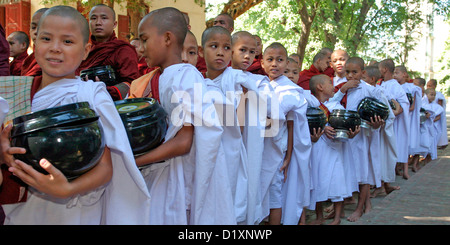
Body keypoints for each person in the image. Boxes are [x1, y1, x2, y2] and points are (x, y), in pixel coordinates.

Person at [0, 5, 151, 225]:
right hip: (27, 211)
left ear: (86, 50)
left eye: (67, 41)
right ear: (35, 43)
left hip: (75, 209)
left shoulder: (90, 95)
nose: (55, 48)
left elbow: (106, 167)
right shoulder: (14, 91)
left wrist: (66, 189)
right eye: (46, 39)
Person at [133, 8, 234, 225]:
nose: (140, 49)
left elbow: (183, 141)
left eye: (145, 39)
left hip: (183, 172)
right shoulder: (166, 75)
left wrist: (134, 161)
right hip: (169, 169)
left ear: (167, 38)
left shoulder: (186, 76)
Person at [260, 42, 312, 225]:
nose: (275, 64)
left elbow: (290, 125)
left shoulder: (289, 91)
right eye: (270, 59)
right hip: (260, 148)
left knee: (275, 195)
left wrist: (289, 156)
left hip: (277, 150)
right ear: (262, 63)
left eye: (280, 60)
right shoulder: (261, 85)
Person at [230, 30, 277, 225]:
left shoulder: (257, 82)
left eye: (252, 52)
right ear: (229, 49)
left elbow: (273, 116)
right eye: (242, 50)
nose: (248, 56)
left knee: (247, 189)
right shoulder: (219, 78)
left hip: (250, 146)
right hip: (227, 146)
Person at [307, 74, 358, 225]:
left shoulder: (336, 107)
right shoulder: (311, 106)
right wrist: (322, 128)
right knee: (317, 182)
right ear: (320, 87)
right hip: (317, 150)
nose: (333, 86)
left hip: (335, 150)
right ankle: (319, 217)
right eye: (330, 83)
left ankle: (337, 218)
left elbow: (346, 125)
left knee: (337, 181)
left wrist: (352, 132)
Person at [343, 57, 386, 222]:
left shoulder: (370, 90)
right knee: (357, 170)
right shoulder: (344, 88)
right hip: (350, 136)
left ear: (363, 73)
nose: (350, 75)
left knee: (364, 171)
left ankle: (359, 208)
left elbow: (383, 113)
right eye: (348, 72)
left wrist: (377, 124)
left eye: (355, 72)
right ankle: (367, 203)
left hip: (365, 136)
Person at [76, 4, 140, 101]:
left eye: (104, 18)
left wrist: (101, 90)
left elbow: (132, 84)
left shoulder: (123, 50)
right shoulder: (84, 51)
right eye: (93, 18)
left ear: (114, 24)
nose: (98, 23)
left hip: (114, 106)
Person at [363, 66, 399, 197]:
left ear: (372, 79)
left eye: (363, 78)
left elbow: (388, 113)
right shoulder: (367, 90)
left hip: (379, 133)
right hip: (370, 132)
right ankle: (380, 186)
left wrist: (380, 123)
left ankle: (381, 186)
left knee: (379, 159)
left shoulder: (378, 92)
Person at [378, 59, 410, 179]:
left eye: (379, 68)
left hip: (392, 126)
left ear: (384, 69)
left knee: (387, 153)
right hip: (381, 126)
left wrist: (390, 114)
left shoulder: (395, 86)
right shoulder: (382, 83)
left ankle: (384, 182)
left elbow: (402, 107)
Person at [394, 65, 422, 175]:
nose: (395, 75)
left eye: (397, 73)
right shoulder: (394, 87)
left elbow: (412, 107)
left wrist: (401, 109)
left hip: (407, 120)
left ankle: (405, 170)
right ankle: (396, 168)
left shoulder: (411, 88)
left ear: (404, 74)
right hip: (396, 119)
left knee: (405, 143)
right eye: (394, 73)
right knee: (396, 143)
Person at [21, 8, 48, 79]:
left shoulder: (55, 60)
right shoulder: (30, 60)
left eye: (43, 27)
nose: (36, 31)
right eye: (33, 27)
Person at [425, 79, 448, 149]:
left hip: (436, 116)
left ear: (434, 86)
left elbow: (439, 107)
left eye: (430, 85)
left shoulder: (438, 95)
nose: (428, 87)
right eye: (427, 85)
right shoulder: (426, 95)